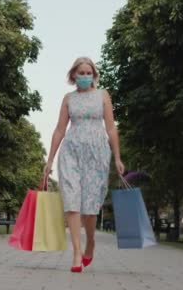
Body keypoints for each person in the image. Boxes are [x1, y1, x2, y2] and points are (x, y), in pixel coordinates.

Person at [43, 57, 125, 273]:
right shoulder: (68, 98)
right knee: (71, 200)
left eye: (89, 73)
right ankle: (77, 253)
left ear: (94, 76)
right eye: (81, 73)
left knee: (89, 208)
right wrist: (49, 159)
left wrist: (117, 157)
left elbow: (111, 129)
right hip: (71, 152)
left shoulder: (102, 96)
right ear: (74, 76)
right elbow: (60, 129)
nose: (85, 76)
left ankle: (91, 242)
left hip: (97, 154)